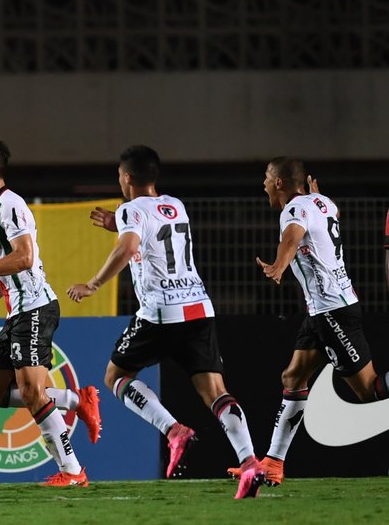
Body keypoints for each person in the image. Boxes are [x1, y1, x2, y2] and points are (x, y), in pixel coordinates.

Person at [68, 145, 266, 499]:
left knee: (115, 376)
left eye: (119, 176)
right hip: (198, 308)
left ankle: (174, 431)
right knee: (216, 393)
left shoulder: (130, 209)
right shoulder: (175, 205)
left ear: (127, 177)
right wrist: (119, 224)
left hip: (161, 312)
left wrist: (93, 284)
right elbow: (153, 236)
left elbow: (128, 247)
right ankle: (250, 463)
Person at [224, 158, 389, 485]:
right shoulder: (321, 203)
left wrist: (279, 265)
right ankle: (274, 462)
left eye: (267, 178)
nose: (264, 185)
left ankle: (274, 461)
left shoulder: (294, 209)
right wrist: (316, 197)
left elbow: (292, 238)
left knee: (369, 391)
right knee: (293, 377)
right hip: (321, 311)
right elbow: (331, 215)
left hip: (333, 311)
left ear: (280, 183)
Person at [0, 138, 96, 487]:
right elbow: (6, 262)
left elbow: (25, 257)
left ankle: (73, 471)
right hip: (16, 312)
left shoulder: (10, 204)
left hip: (34, 308)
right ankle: (76, 400)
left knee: (32, 392)